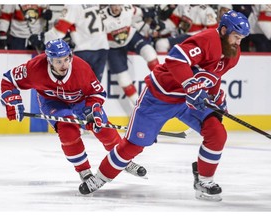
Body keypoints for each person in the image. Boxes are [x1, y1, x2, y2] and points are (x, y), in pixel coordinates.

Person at [77, 10, 250, 202]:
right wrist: (191, 86)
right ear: (224, 30)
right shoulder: (208, 39)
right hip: (159, 97)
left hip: (187, 101)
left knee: (217, 132)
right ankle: (99, 178)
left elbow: (213, 77)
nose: (238, 42)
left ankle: (204, 180)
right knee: (133, 146)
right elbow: (176, 59)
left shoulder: (233, 53)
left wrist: (215, 99)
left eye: (241, 38)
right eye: (236, 37)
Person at [0, 39, 147, 185]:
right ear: (49, 60)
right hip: (52, 102)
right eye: (58, 61)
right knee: (67, 130)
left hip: (81, 100)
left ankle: (124, 161)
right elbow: (9, 79)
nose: (64, 64)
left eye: (66, 59)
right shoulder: (35, 68)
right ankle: (84, 171)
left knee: (103, 128)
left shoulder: (81, 68)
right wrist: (12, 100)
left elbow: (97, 93)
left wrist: (92, 112)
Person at [28, 4, 109, 82]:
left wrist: (42, 38)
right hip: (102, 48)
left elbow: (59, 31)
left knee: (78, 86)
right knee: (95, 87)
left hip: (84, 50)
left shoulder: (73, 5)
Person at [101, 4, 159, 105]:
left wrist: (151, 16)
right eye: (114, 5)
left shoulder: (128, 8)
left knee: (150, 53)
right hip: (113, 47)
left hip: (131, 37)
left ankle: (161, 82)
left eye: (119, 5)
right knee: (123, 80)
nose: (116, 8)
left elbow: (143, 12)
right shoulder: (101, 16)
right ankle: (140, 105)